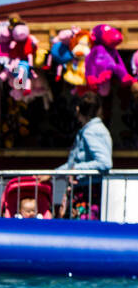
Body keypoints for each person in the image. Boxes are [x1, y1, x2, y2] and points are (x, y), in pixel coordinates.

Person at [53, 91, 112, 219]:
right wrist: (54, 173)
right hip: (83, 190)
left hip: (89, 192)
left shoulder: (92, 132)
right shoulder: (90, 130)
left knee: (83, 231)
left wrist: (77, 170)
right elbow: (74, 162)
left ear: (78, 109)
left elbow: (104, 162)